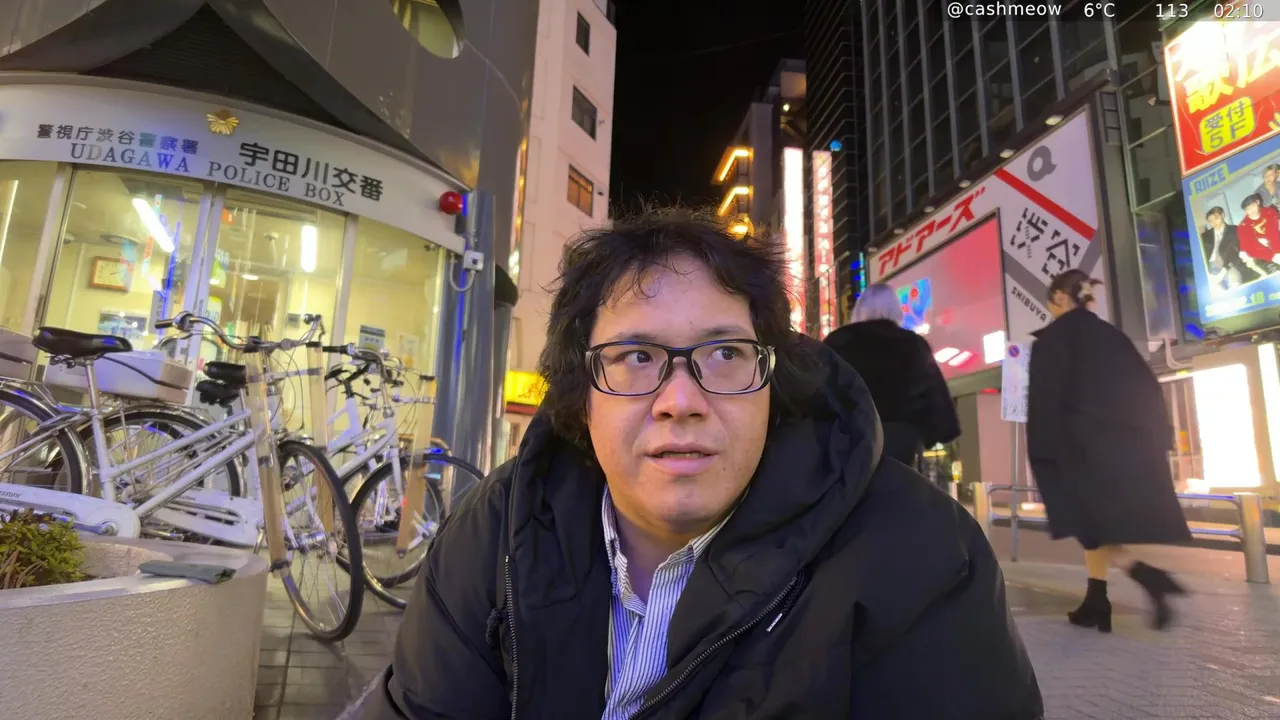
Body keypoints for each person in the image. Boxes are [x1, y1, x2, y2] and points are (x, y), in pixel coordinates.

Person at [371, 211, 1043, 718]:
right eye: (637, 358)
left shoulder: (922, 555)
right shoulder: (496, 532)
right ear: (581, 397)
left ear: (773, 385)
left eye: (725, 355)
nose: (681, 401)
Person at [1026, 269, 1191, 634]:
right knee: (1095, 524)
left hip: (1078, 449)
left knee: (1087, 524)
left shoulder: (1053, 339)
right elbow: (1147, 389)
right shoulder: (1113, 336)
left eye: (1051, 302)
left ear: (1061, 297)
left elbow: (1045, 400)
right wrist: (1157, 439)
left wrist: (1042, 453)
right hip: (1124, 449)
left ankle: (1146, 575)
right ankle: (1096, 600)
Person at [823, 282, 960, 469]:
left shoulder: (837, 342)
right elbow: (935, 395)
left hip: (850, 439)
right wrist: (936, 432)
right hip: (901, 444)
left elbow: (821, 391)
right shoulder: (913, 344)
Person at [1199, 206, 1261, 292]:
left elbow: (1235, 250)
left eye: (1216, 218)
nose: (1214, 223)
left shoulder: (1235, 230)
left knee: (1233, 283)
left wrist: (1224, 268)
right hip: (1209, 266)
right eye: (1210, 221)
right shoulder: (1204, 237)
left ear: (1222, 215)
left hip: (1230, 264)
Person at [1236, 193, 1280, 266]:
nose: (1252, 210)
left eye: (1253, 206)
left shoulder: (1268, 211)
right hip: (1263, 254)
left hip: (1276, 245)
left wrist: (1277, 251)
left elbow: (1273, 232)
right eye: (1248, 209)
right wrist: (1272, 256)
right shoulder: (1243, 226)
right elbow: (1249, 247)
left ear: (1258, 202)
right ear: (1245, 211)